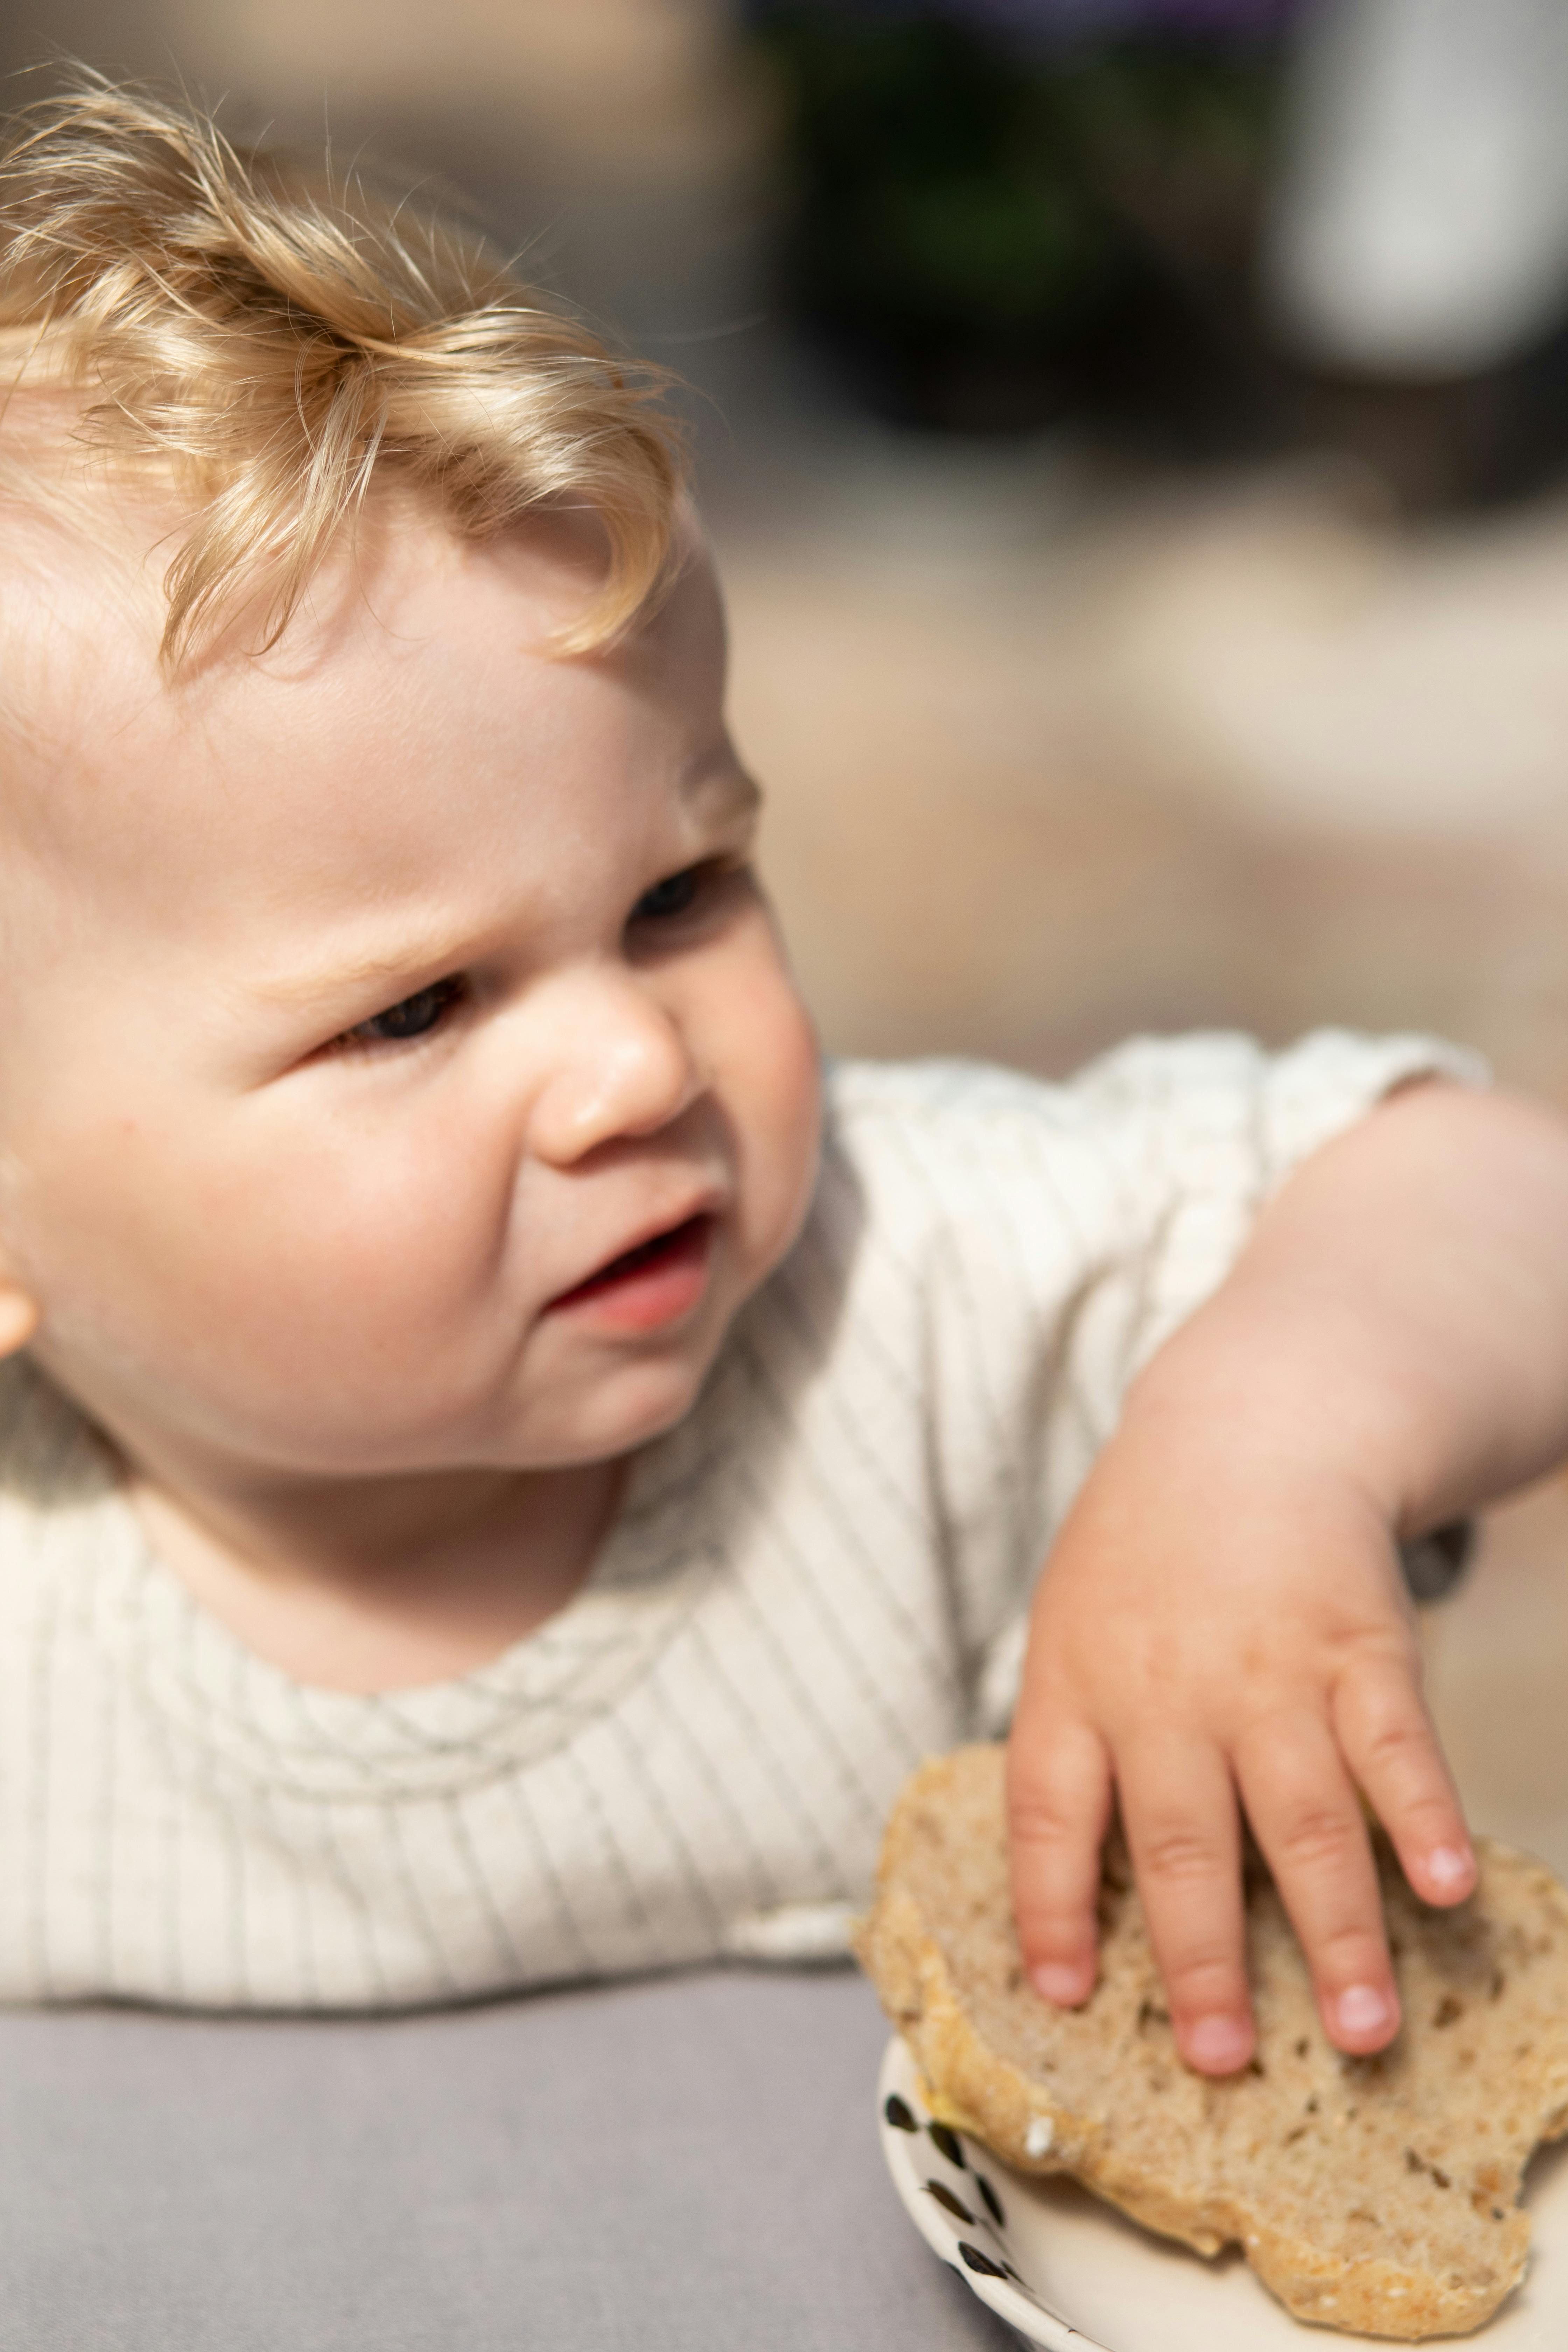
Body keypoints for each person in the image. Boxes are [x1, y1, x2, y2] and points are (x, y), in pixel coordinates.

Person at [1, 73, 1567, 2077]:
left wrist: (1278, 1434)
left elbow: (1493, 1184)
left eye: (678, 892)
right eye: (416, 1009)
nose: (635, 1064)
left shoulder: (905, 1311)